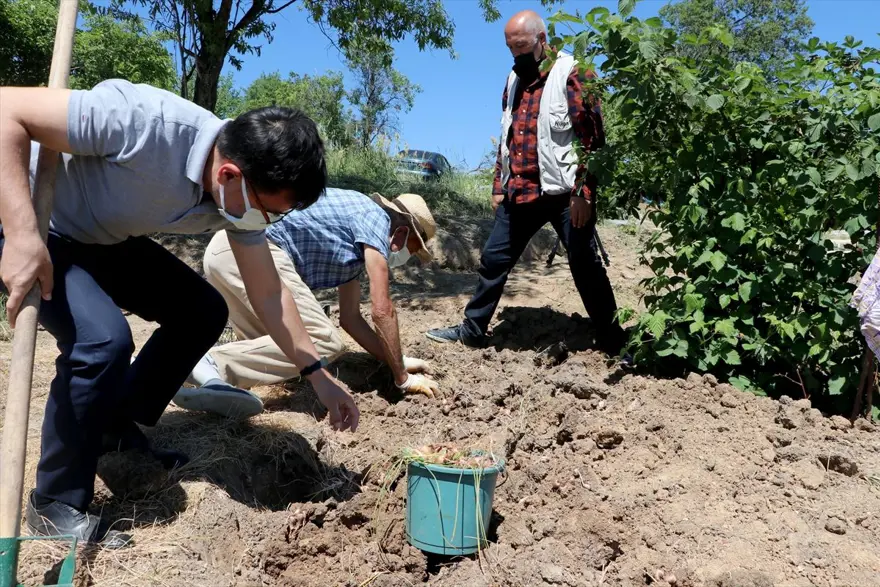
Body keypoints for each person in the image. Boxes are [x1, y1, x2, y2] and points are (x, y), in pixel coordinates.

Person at [0, 79, 359, 548]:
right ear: (229, 174)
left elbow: (269, 294)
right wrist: (23, 233)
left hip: (99, 237)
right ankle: (54, 503)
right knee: (102, 341)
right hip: (29, 217)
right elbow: (6, 108)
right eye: (269, 213)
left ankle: (110, 427)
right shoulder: (143, 122)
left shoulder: (241, 203)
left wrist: (316, 374)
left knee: (203, 309)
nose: (267, 223)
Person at [426, 10, 626, 356]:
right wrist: (497, 185)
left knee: (584, 262)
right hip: (520, 189)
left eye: (522, 48)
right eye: (510, 49)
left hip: (565, 194)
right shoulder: (513, 80)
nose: (516, 56)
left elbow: (593, 140)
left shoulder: (572, 73)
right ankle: (473, 330)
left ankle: (614, 341)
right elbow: (508, 137)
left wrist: (584, 193)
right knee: (493, 259)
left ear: (542, 40)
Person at [172, 188, 442, 418]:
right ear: (402, 233)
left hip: (225, 251)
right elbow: (382, 309)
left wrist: (397, 359)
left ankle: (201, 378)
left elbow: (351, 319)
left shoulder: (354, 239)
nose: (410, 256)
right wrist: (402, 379)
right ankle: (210, 362)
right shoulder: (376, 219)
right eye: (415, 249)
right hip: (252, 249)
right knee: (321, 340)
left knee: (285, 356)